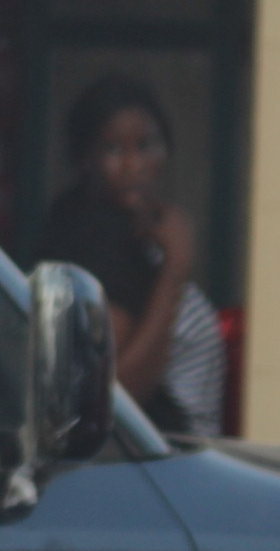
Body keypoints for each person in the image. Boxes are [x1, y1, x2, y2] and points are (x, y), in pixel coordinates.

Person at [39, 74, 226, 435]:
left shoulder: (138, 235)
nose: (132, 164)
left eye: (145, 145)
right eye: (112, 149)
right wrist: (174, 270)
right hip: (161, 469)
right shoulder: (100, 241)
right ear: (85, 159)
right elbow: (118, 392)